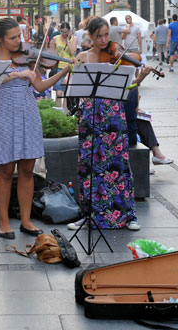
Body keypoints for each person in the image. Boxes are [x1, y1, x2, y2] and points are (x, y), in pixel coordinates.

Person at [0, 17, 72, 239]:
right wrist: (16, 74)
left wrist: (63, 71)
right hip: (4, 114)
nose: (19, 41)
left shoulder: (27, 58)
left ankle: (26, 221)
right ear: (0, 38)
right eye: (13, 37)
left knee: (27, 169)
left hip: (28, 112)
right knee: (5, 170)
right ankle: (4, 222)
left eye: (20, 36)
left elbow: (39, 85)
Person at [69, 17, 140, 231]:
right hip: (90, 116)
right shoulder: (82, 57)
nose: (103, 40)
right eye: (98, 36)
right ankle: (88, 214)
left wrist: (141, 77)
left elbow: (128, 86)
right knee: (89, 166)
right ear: (89, 36)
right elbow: (75, 87)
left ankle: (128, 215)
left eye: (106, 35)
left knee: (119, 164)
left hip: (113, 115)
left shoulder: (116, 57)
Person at [48, 21, 75, 109]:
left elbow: (72, 52)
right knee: (58, 93)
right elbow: (52, 53)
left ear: (69, 31)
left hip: (69, 68)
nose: (64, 34)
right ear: (60, 30)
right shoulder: (55, 38)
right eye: (62, 32)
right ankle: (57, 112)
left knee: (67, 93)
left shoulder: (73, 39)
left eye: (66, 32)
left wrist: (68, 40)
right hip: (59, 67)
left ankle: (65, 114)